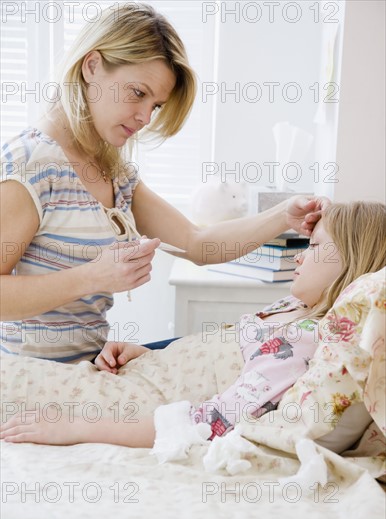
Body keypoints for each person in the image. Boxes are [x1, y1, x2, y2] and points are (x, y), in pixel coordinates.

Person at [0, 3, 327, 364]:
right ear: (91, 66)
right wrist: (92, 277)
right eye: (139, 93)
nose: (145, 118)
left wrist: (285, 215)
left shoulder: (114, 173)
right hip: (27, 388)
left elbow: (197, 244)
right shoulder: (30, 164)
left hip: (87, 376)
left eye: (155, 106)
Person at [1, 201, 385, 448]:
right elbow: (224, 346)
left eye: (314, 247)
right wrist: (151, 351)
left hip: (136, 402)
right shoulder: (297, 309)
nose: (300, 258)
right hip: (141, 371)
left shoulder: (304, 343)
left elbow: (210, 422)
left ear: (352, 263)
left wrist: (77, 428)